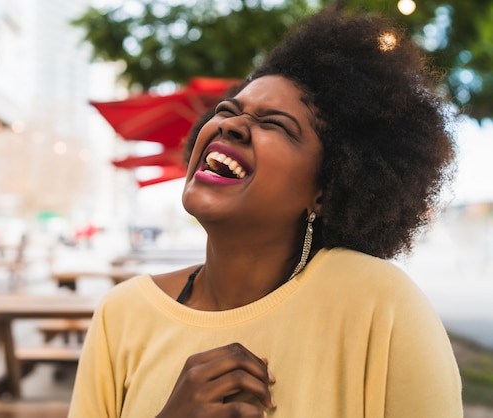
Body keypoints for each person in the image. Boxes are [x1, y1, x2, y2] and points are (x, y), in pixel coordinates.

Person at [69, 6, 463, 418]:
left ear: (326, 191)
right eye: (226, 109)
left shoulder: (381, 306)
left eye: (274, 124)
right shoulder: (121, 315)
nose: (231, 125)